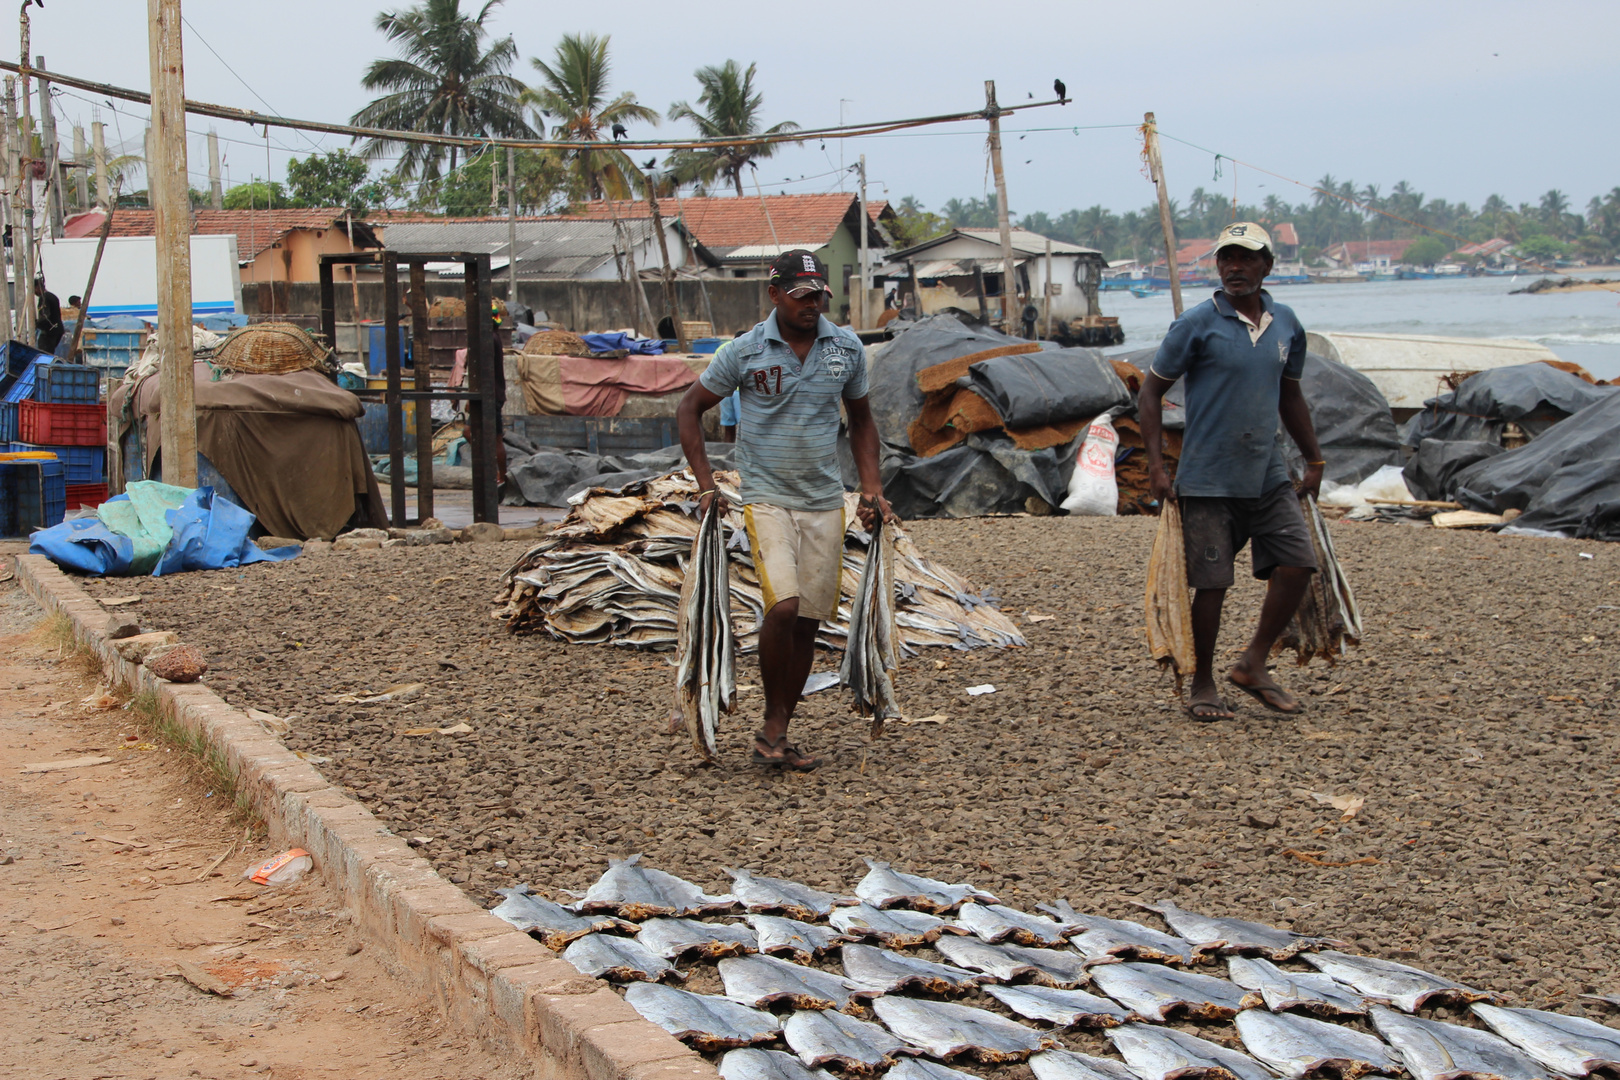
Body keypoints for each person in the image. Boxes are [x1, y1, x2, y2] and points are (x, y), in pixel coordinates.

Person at [677, 249, 896, 769]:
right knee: (784, 607)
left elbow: (862, 422)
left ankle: (776, 729)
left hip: (823, 500)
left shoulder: (845, 349)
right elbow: (689, 409)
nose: (812, 305)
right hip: (766, 497)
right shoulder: (744, 352)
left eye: (818, 295)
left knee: (808, 624)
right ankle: (773, 724)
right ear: (774, 295)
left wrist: (871, 490)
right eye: (800, 296)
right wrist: (707, 485)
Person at [1137, 222, 1325, 720]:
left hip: (1266, 472)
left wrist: (1315, 458)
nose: (1234, 268)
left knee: (1298, 564)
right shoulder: (1196, 323)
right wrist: (1157, 466)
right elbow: (1150, 392)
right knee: (1212, 582)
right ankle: (1202, 683)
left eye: (1246, 259)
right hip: (1206, 477)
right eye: (1226, 259)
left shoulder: (1286, 323)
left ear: (1267, 265)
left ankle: (1252, 664)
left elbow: (1290, 394)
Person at [35, 278, 63, 354]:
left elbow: (45, 316)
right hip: (57, 330)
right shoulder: (52, 296)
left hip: (50, 331)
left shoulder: (44, 298)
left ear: (37, 287)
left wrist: (37, 324)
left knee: (44, 354)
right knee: (49, 352)